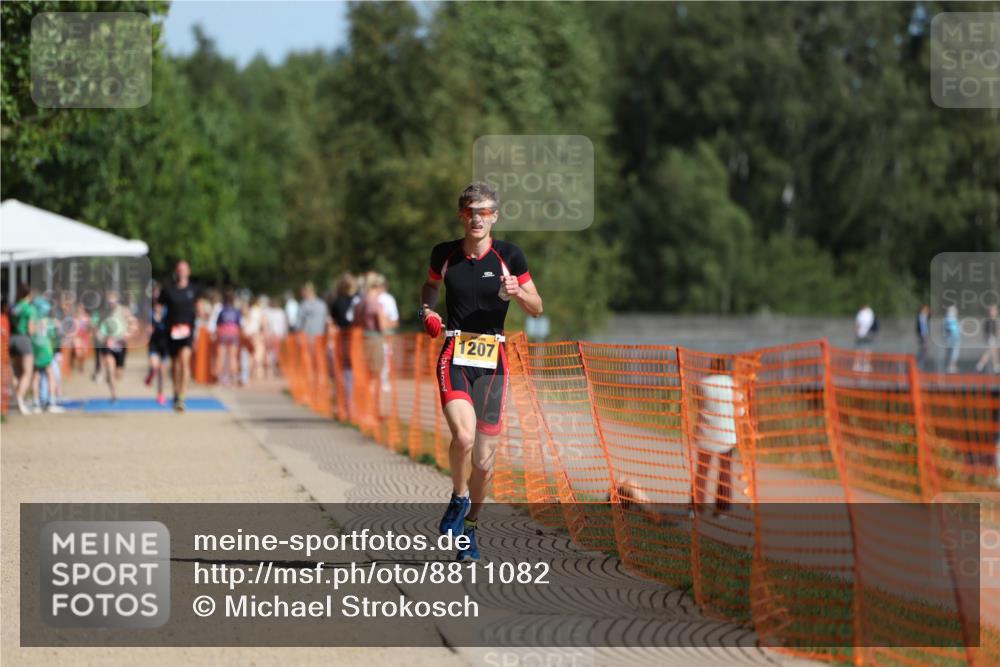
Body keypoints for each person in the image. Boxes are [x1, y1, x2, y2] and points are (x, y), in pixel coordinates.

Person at [421, 182, 543, 562]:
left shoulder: (510, 256)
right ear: (462, 215)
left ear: (495, 217)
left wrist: (518, 293)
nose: (478, 218)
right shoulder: (445, 254)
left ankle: (470, 526)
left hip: (494, 362)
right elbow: (429, 287)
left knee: (485, 461)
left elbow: (537, 307)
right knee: (462, 436)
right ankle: (458, 497)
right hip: (455, 352)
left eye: (485, 212)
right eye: (471, 211)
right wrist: (428, 311)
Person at [692, 357, 747, 517]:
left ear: (711, 367)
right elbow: (741, 411)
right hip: (726, 436)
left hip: (706, 434)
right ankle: (722, 509)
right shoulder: (733, 385)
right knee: (725, 472)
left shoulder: (702, 384)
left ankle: (696, 509)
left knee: (702, 472)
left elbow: (699, 405)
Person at [158, 260, 199, 411]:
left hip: (188, 330)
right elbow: (159, 306)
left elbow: (199, 308)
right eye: (179, 269)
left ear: (188, 271)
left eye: (184, 269)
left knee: (184, 361)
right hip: (172, 331)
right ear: (177, 272)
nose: (182, 272)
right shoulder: (169, 289)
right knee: (175, 365)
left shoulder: (194, 289)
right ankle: (175, 392)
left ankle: (182, 396)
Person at [355, 273, 391, 429]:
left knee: (367, 377)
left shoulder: (361, 303)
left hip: (363, 340)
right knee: (375, 378)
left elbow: (356, 322)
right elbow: (383, 326)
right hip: (375, 341)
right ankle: (372, 411)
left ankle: (366, 410)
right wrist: (389, 323)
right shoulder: (375, 303)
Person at [329, 272, 360, 419]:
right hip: (355, 338)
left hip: (343, 338)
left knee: (345, 372)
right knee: (351, 372)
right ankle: (349, 405)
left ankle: (344, 403)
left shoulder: (337, 301)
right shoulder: (358, 299)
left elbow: (334, 319)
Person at [96, 290, 132, 404]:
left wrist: (127, 334)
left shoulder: (124, 311)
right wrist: (102, 338)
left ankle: (112, 379)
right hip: (108, 345)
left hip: (121, 345)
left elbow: (132, 325)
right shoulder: (103, 313)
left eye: (113, 302)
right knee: (110, 371)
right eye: (109, 302)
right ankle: (114, 395)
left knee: (119, 374)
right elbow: (99, 329)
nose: (111, 304)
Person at [9, 284, 36, 415]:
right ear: (29, 295)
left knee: (16, 372)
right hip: (24, 339)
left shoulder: (14, 307)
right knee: (28, 372)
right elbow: (30, 329)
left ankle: (17, 398)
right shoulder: (29, 308)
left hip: (12, 338)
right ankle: (20, 399)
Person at [145, 284, 170, 405]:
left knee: (162, 371)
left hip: (165, 343)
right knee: (155, 366)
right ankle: (151, 373)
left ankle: (160, 394)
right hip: (154, 342)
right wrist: (148, 329)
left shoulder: (167, 310)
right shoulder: (149, 312)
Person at [377, 273, 400, 392]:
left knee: (385, 360)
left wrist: (385, 325)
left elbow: (395, 320)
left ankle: (383, 380)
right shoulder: (370, 297)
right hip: (374, 336)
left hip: (385, 336)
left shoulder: (388, 299)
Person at [214, 289, 242, 386]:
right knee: (233, 357)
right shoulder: (236, 311)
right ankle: (233, 377)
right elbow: (239, 325)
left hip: (223, 334)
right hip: (234, 334)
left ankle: (219, 377)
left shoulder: (222, 311)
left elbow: (217, 325)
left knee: (221, 355)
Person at [243, 294, 267, 382]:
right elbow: (263, 323)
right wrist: (264, 333)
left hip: (248, 333)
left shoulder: (249, 310)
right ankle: (258, 373)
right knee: (259, 352)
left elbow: (246, 321)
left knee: (251, 354)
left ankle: (251, 373)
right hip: (255, 333)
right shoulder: (259, 311)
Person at [975, 304, 999, 374]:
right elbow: (992, 331)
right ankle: (981, 364)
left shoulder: (994, 320)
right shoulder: (989, 320)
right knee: (991, 351)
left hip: (993, 338)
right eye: (993, 310)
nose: (994, 312)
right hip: (990, 338)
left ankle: (996, 366)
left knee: (993, 351)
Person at [854, 303, 876, 372]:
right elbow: (873, 322)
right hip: (869, 334)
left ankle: (857, 365)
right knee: (867, 350)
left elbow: (857, 324)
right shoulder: (870, 312)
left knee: (859, 350)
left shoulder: (861, 313)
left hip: (861, 334)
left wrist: (856, 332)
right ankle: (866, 365)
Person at [943, 305, 961, 374]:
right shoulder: (950, 319)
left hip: (952, 339)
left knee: (951, 353)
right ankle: (951, 366)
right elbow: (951, 330)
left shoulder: (949, 319)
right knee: (953, 353)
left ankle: (951, 366)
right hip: (953, 339)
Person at [916, 304, 931, 370]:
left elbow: (930, 314)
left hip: (925, 335)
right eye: (925, 310)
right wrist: (921, 335)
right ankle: (920, 363)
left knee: (924, 349)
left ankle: (921, 363)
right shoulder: (920, 317)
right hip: (922, 335)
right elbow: (919, 328)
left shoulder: (925, 317)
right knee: (923, 349)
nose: (926, 311)